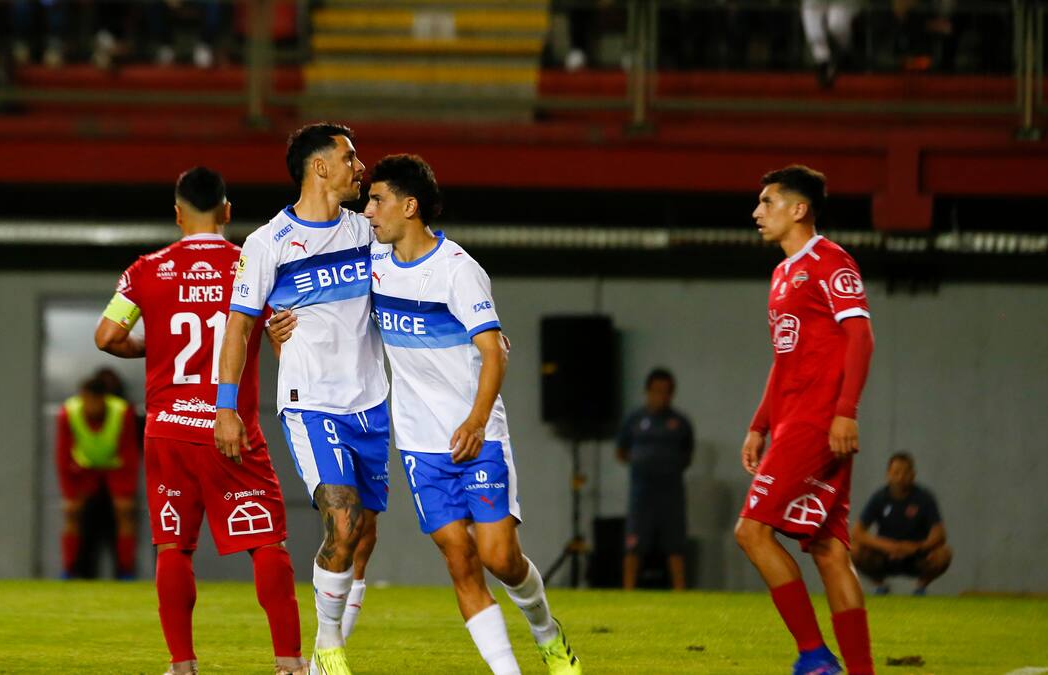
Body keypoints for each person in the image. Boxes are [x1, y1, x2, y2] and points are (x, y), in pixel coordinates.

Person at [364, 153, 582, 674]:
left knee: (499, 557)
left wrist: (478, 419)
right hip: (419, 443)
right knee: (459, 559)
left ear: (409, 206)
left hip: (475, 435)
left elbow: (494, 351)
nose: (367, 211)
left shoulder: (457, 272)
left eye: (377, 200)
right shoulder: (372, 266)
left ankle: (547, 633)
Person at [95, 166, 306, 675]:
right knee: (265, 542)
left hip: (166, 429)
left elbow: (106, 337)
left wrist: (155, 348)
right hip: (229, 426)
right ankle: (289, 663)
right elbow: (285, 339)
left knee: (173, 546)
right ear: (227, 212)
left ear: (177, 214)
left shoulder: (146, 269)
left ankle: (182, 664)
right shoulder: (252, 266)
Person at [215, 122, 388, 675]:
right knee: (341, 520)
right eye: (350, 157)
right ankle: (332, 652)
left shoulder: (366, 231)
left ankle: (319, 658)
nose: (360, 167)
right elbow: (238, 327)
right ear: (320, 168)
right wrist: (225, 407)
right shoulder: (267, 244)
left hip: (372, 401)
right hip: (310, 400)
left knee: (362, 536)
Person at [735, 165, 876, 675]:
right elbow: (784, 358)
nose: (757, 212)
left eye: (767, 201)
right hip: (794, 421)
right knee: (829, 549)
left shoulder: (830, 260)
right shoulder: (781, 274)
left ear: (799, 209)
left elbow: (860, 336)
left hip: (817, 423)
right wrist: (759, 423)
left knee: (751, 532)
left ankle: (815, 657)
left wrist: (845, 413)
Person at [55, 373, 140, 579]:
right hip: (83, 470)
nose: (92, 405)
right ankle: (69, 569)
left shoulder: (122, 411)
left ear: (104, 399)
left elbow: (130, 453)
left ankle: (125, 570)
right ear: (82, 396)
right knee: (71, 512)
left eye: (96, 400)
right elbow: (62, 454)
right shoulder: (68, 412)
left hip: (115, 468)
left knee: (124, 512)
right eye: (87, 399)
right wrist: (69, 493)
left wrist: (125, 493)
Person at [616, 367, 694, 591]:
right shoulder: (635, 420)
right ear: (648, 391)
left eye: (666, 391)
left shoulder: (680, 423)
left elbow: (687, 454)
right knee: (634, 544)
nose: (661, 396)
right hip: (642, 493)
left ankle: (681, 592)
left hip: (671, 493)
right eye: (657, 391)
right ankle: (628, 592)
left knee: (675, 546)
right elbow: (621, 451)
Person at [851, 452, 952, 595]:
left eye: (905, 473)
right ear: (888, 474)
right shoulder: (879, 498)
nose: (900, 477)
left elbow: (940, 534)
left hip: (916, 556)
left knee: (944, 554)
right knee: (854, 551)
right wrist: (888, 546)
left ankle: (920, 588)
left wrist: (916, 548)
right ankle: (881, 586)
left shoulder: (925, 498)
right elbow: (857, 533)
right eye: (896, 472)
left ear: (913, 474)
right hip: (885, 556)